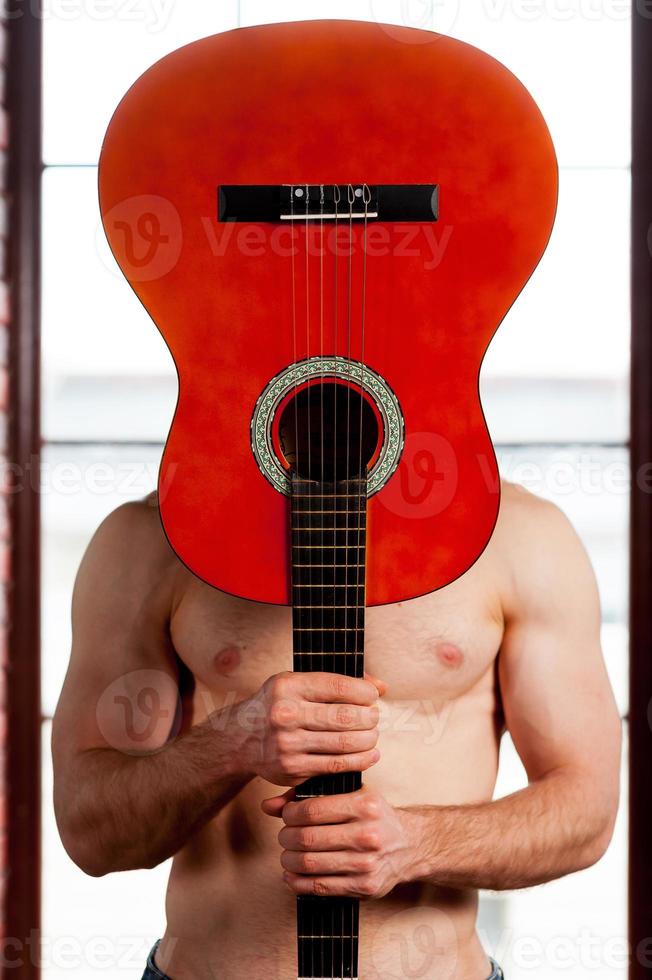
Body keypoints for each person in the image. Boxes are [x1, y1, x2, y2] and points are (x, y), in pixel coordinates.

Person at [52, 480, 621, 980]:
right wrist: (232, 743)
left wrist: (418, 844)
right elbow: (90, 832)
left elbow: (585, 811)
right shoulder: (150, 539)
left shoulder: (521, 535)